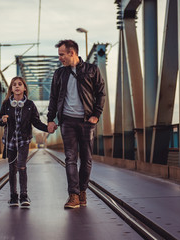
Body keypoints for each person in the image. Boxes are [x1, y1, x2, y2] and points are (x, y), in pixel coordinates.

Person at [47, 39, 106, 209]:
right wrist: (51, 119)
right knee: (70, 159)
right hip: (67, 121)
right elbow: (53, 97)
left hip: (87, 121)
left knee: (86, 159)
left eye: (61, 55)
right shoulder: (59, 74)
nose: (59, 58)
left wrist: (96, 115)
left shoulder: (91, 70)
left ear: (72, 53)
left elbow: (101, 93)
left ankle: (82, 191)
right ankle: (73, 195)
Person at [0, 76, 48, 207]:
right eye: (14, 84)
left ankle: (24, 196)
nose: (17, 86)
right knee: (12, 168)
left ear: (24, 88)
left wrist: (48, 127)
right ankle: (13, 197)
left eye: (20, 84)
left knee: (21, 166)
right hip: (10, 141)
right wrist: (2, 120)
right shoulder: (6, 104)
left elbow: (36, 122)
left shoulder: (30, 105)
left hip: (23, 140)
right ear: (11, 88)